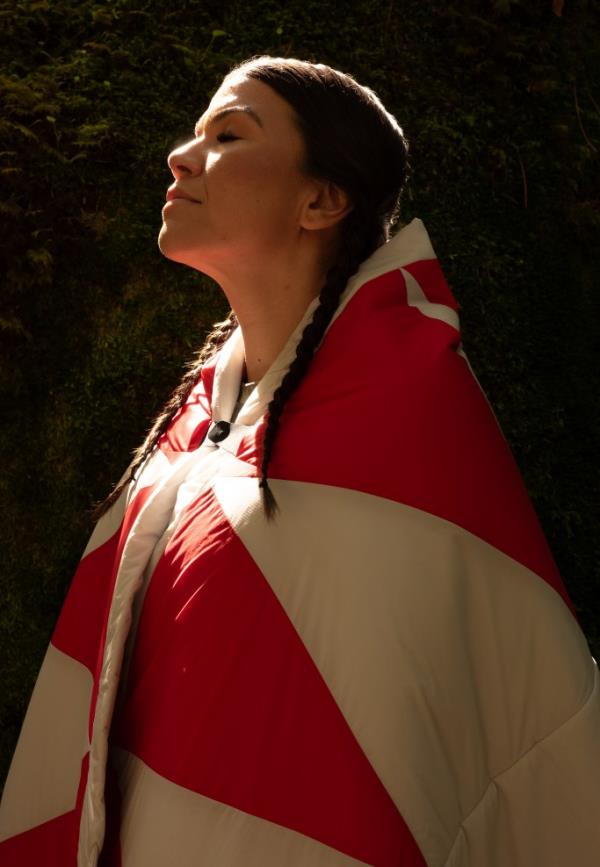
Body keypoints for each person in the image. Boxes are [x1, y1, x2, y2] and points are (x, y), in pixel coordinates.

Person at [0, 55, 598, 867]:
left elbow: (508, 713)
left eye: (228, 133)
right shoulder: (197, 429)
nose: (181, 154)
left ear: (322, 199)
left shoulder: (408, 409)